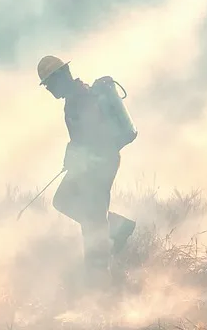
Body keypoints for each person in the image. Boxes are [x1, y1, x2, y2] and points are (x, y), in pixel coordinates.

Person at [37, 55, 136, 287]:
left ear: (60, 77)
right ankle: (117, 227)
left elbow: (91, 136)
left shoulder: (79, 99)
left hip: (99, 164)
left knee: (93, 220)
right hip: (93, 163)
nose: (48, 89)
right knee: (63, 200)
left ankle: (98, 279)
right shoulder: (77, 96)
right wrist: (72, 155)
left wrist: (76, 155)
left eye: (49, 83)